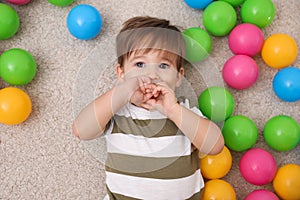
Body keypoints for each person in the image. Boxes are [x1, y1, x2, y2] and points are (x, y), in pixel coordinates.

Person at [72, 16, 224, 200]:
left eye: (163, 65)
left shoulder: (182, 111)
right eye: (139, 64)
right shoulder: (117, 110)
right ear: (121, 73)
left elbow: (215, 146)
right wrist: (122, 92)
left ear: (178, 77)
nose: (152, 74)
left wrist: (172, 110)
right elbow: (81, 130)